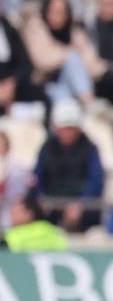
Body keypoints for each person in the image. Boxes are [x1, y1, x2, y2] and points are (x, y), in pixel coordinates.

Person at [34, 98, 103, 232]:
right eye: (64, 128)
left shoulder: (89, 148)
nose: (68, 133)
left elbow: (96, 180)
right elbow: (37, 177)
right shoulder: (47, 148)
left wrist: (81, 204)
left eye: (71, 128)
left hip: (83, 211)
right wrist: (42, 199)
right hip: (51, 207)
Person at [1, 193, 67, 252]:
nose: (11, 214)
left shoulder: (12, 236)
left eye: (16, 212)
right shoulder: (52, 230)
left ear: (29, 214)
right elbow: (64, 249)